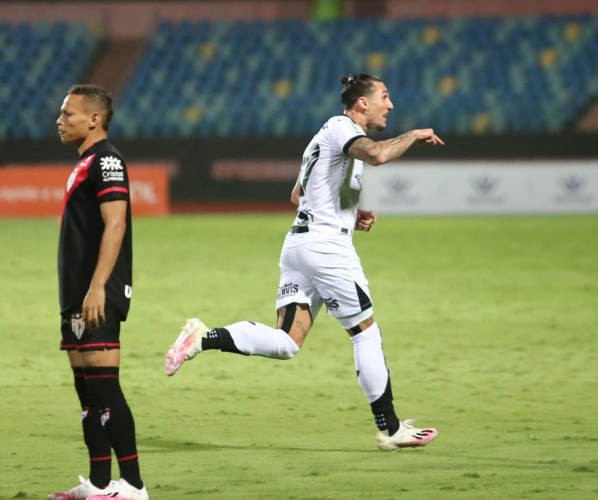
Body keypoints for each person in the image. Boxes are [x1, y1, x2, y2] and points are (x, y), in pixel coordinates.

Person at [164, 73, 443, 451]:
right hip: (327, 250)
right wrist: (413, 135)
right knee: (365, 332)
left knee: (287, 342)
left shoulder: (322, 137)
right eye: (384, 96)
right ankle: (389, 428)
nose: (390, 105)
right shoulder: (343, 128)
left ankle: (204, 337)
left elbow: (298, 195)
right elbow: (377, 154)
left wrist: (351, 213)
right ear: (362, 103)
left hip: (299, 246)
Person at [49, 84, 148, 500]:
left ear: (94, 119)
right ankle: (100, 485)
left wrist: (97, 287)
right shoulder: (86, 161)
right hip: (77, 295)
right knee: (88, 395)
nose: (60, 120)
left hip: (97, 294)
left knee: (105, 390)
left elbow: (116, 224)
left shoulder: (107, 160)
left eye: (68, 114)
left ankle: (134, 486)